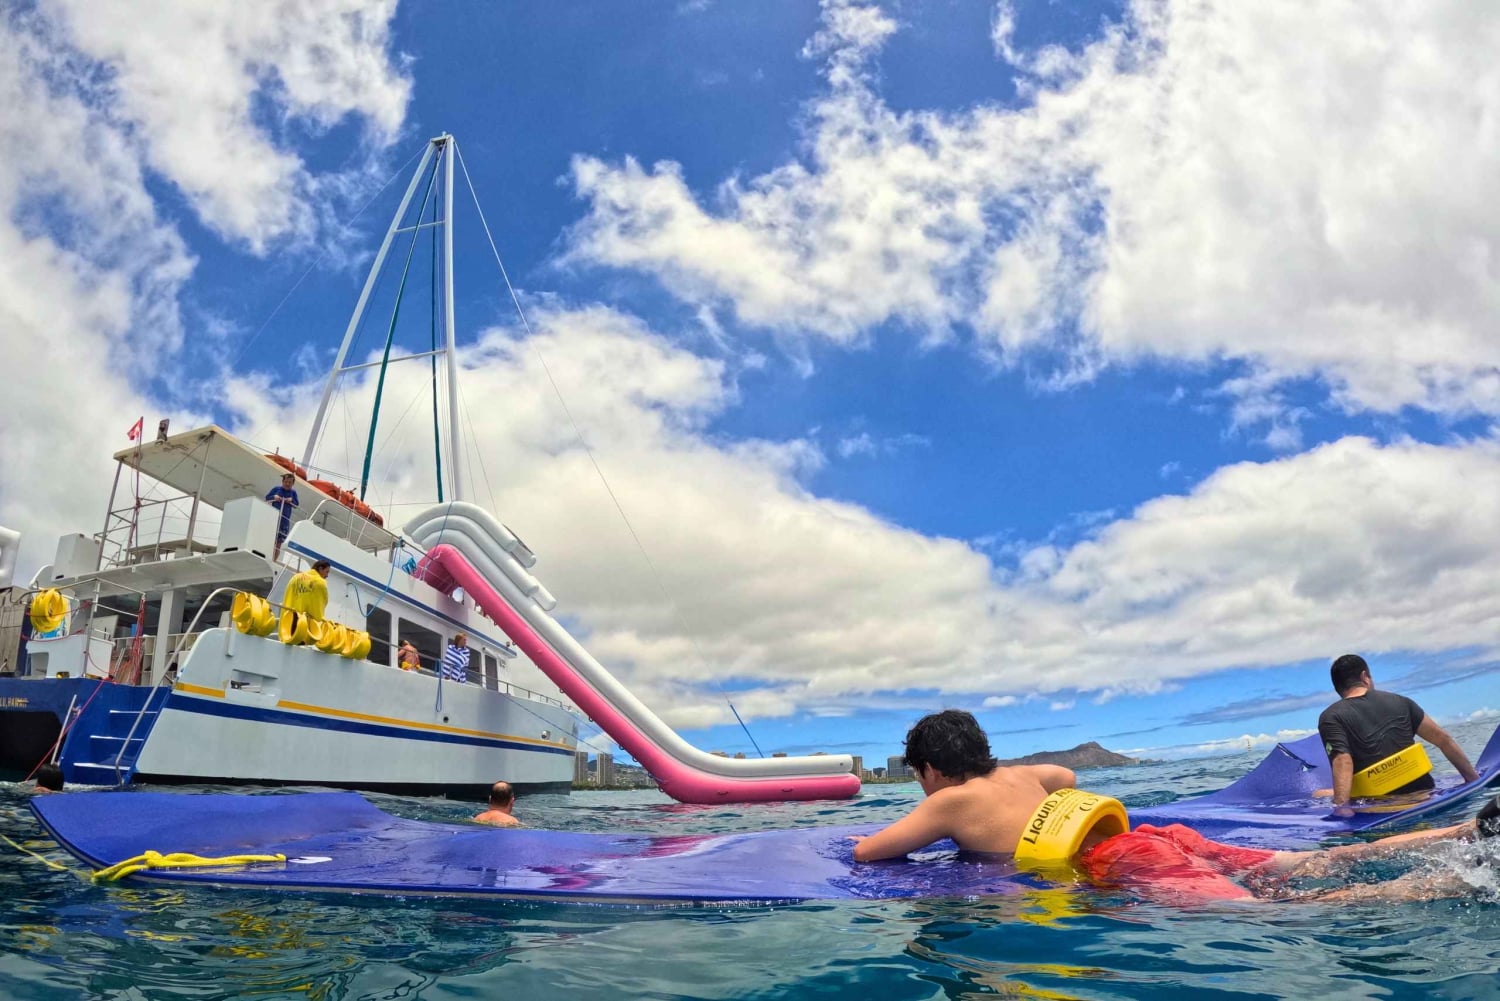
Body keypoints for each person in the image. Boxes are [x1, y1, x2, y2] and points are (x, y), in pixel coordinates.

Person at [850, 709, 1491, 904]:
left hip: (1124, 863)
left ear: (932, 768)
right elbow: (1066, 773)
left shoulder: (949, 801)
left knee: (1277, 916)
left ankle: (1440, 884)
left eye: (919, 774)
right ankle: (1465, 829)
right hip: (1161, 834)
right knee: (1295, 863)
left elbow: (866, 851)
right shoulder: (1024, 775)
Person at [1319, 654, 1479, 807]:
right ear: (1364, 677)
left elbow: (1342, 761)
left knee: (1318, 794)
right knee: (1321, 793)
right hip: (1425, 794)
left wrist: (1341, 809)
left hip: (1380, 805)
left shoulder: (1331, 717)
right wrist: (1473, 779)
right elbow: (1443, 739)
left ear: (1337, 687)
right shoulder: (1401, 701)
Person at [264, 472, 300, 557]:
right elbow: (267, 497)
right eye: (286, 482)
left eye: (290, 482)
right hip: (274, 518)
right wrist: (274, 497)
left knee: (278, 543)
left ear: (293, 483)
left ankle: (274, 559)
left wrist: (291, 500)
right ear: (282, 482)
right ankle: (266, 556)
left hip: (284, 521)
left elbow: (296, 504)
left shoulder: (293, 492)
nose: (287, 484)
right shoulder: (276, 489)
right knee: (270, 538)